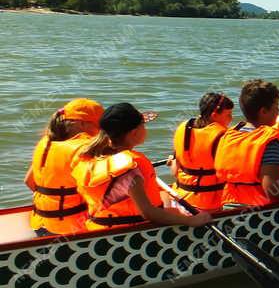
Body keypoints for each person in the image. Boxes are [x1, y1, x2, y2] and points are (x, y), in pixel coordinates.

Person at [72, 103, 211, 231]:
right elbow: (149, 213)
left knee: (166, 199)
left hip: (99, 228)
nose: (145, 130)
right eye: (143, 126)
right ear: (134, 132)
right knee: (198, 215)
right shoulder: (130, 169)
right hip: (131, 234)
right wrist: (191, 221)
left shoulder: (89, 157)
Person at [214, 79, 279, 206]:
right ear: (263, 111)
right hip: (261, 212)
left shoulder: (230, 135)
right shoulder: (270, 142)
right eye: (276, 106)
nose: (278, 111)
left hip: (229, 206)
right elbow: (272, 189)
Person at [24, 98, 104, 237]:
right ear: (82, 123)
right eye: (99, 126)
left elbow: (29, 182)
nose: (101, 132)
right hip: (71, 229)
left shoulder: (46, 142)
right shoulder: (83, 148)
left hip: (40, 224)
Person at [170, 92, 233, 211]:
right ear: (214, 115)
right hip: (209, 206)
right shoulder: (223, 136)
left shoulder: (182, 128)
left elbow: (174, 171)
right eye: (228, 114)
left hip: (180, 199)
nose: (231, 118)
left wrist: (173, 160)